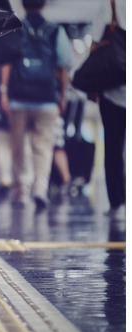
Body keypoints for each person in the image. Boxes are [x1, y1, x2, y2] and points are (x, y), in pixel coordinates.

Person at [0, 0, 73, 211]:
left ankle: (21, 191)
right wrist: (62, 96)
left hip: (18, 98)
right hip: (46, 99)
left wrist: (3, 91)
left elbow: (7, 63)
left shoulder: (15, 28)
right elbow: (62, 67)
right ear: (44, 5)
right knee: (43, 148)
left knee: (18, 147)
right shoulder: (55, 31)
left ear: (23, 4)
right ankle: (40, 189)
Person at [88, 0, 126, 219]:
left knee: (113, 147)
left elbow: (95, 45)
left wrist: (93, 84)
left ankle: (118, 204)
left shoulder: (110, 6)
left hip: (112, 90)